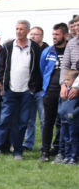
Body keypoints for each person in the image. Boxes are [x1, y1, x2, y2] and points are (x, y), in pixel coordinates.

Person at [0, 20, 43, 160]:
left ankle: (17, 151)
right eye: (17, 29)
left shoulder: (34, 47)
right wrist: (2, 87)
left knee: (22, 122)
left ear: (27, 31)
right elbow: (2, 68)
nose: (18, 31)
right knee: (4, 120)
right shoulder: (8, 46)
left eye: (21, 29)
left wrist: (33, 89)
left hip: (26, 92)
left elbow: (37, 70)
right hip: (10, 90)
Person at [39, 23, 69, 162]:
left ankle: (59, 149)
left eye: (57, 34)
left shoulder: (71, 50)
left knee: (63, 122)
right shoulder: (48, 51)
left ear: (65, 35)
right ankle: (45, 151)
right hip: (50, 90)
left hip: (67, 91)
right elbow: (42, 69)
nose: (54, 37)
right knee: (47, 122)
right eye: (53, 34)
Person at [23, 26, 48, 151]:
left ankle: (45, 144)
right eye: (31, 34)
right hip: (28, 90)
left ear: (42, 36)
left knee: (44, 119)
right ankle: (28, 143)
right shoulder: (28, 49)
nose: (32, 36)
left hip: (42, 90)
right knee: (29, 119)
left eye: (36, 34)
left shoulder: (47, 50)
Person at [57, 69, 79, 164]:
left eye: (68, 80)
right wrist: (60, 112)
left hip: (73, 120)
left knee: (73, 139)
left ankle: (73, 157)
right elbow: (60, 102)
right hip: (64, 119)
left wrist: (73, 113)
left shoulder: (76, 93)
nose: (66, 82)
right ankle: (67, 156)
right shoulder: (64, 91)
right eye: (65, 79)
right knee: (66, 139)